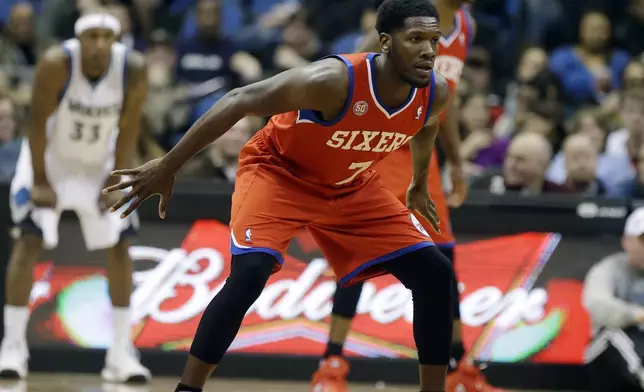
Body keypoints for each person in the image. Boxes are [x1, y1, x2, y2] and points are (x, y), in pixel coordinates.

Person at [103, 0, 456, 391]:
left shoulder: (434, 91)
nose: (428, 50)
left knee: (436, 274)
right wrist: (168, 166)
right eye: (416, 39)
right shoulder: (334, 80)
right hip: (279, 173)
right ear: (387, 42)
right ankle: (188, 388)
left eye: (434, 40)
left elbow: (427, 125)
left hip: (349, 185)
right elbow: (240, 99)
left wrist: (419, 182)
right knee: (251, 273)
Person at [310, 1, 505, 391]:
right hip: (378, 143)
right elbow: (353, 73)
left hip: (421, 151)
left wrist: (457, 163)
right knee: (360, 251)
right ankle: (331, 365)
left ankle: (457, 367)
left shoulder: (467, 24)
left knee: (443, 254)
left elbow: (443, 102)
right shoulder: (408, 16)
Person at [0, 11, 151, 383]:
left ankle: (120, 352)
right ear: (79, 39)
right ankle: (13, 346)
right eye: (92, 37)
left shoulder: (133, 68)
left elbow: (129, 126)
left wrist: (117, 179)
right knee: (29, 238)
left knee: (120, 244)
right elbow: (36, 124)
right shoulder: (56, 63)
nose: (99, 45)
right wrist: (40, 180)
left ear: (115, 40)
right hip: (50, 160)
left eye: (106, 37)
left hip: (99, 163)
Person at [583, 207, 644, 392]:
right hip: (605, 355)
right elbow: (598, 304)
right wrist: (638, 315)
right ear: (626, 241)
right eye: (643, 240)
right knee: (615, 335)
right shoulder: (609, 269)